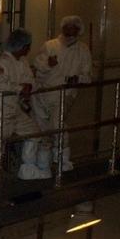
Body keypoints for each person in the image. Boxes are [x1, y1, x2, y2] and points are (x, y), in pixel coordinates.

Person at [0, 29, 48, 195]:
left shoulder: (22, 62)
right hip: (1, 111)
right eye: (27, 46)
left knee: (34, 133)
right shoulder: (3, 63)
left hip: (16, 110)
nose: (28, 49)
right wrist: (20, 88)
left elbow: (30, 81)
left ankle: (28, 169)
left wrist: (28, 87)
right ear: (20, 46)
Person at [31, 15, 92, 172]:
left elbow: (88, 76)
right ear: (62, 28)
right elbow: (37, 65)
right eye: (67, 26)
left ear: (79, 30)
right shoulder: (50, 45)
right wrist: (48, 64)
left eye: (74, 27)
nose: (70, 29)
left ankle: (63, 163)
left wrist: (77, 78)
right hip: (42, 94)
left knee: (58, 127)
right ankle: (43, 167)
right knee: (42, 131)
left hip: (64, 94)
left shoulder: (83, 50)